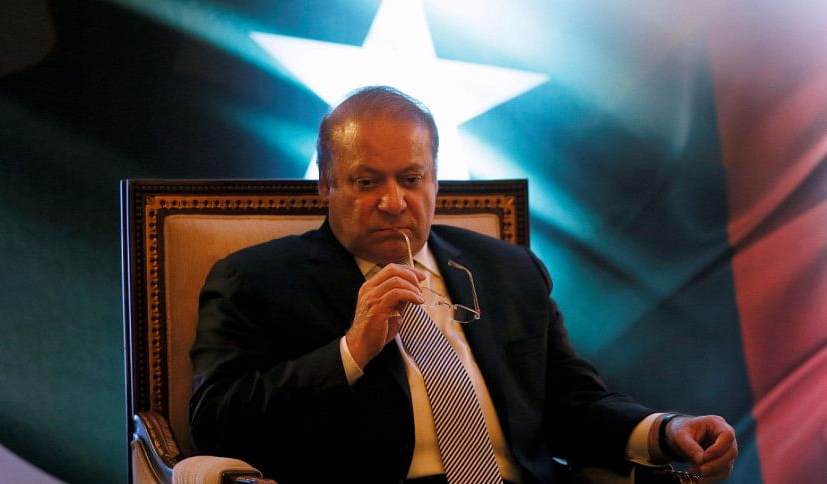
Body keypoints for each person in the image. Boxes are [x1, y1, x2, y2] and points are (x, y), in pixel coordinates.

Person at [188, 86, 738, 483]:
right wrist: (351, 351)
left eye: (411, 178)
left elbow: (573, 401)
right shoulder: (255, 279)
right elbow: (215, 421)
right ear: (325, 185)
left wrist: (666, 430)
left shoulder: (509, 270)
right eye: (366, 182)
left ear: (435, 179)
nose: (393, 202)